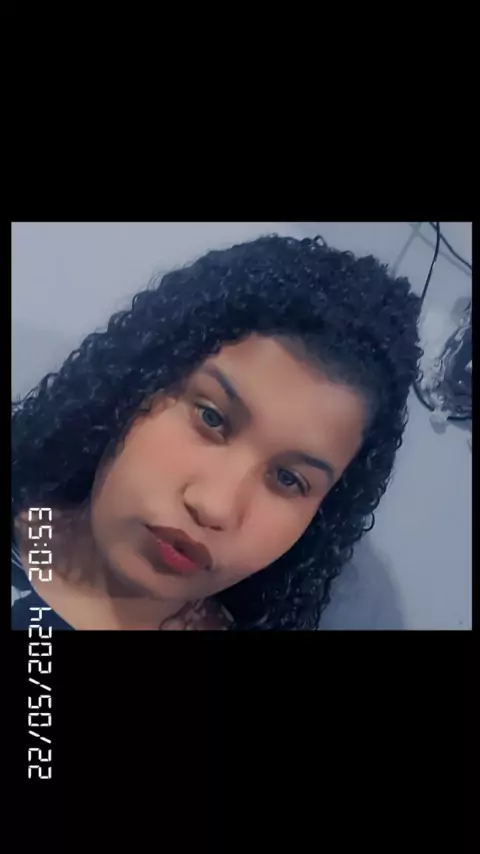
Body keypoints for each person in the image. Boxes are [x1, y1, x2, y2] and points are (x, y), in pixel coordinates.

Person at [11, 234, 421, 631]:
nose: (215, 507)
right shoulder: (31, 527)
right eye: (211, 418)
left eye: (288, 479)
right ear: (136, 381)